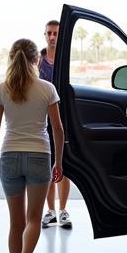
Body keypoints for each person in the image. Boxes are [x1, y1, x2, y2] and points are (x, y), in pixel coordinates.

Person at [0, 38, 65, 253]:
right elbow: (58, 129)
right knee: (34, 219)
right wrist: (59, 162)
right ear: (37, 60)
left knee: (15, 224)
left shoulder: (2, 89)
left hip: (9, 156)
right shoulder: (47, 89)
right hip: (39, 156)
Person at [38, 19, 72, 229]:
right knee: (47, 166)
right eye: (49, 33)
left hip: (61, 118)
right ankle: (50, 211)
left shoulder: (64, 60)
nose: (52, 37)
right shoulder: (38, 61)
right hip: (42, 120)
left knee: (63, 165)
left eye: (55, 33)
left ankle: (63, 210)